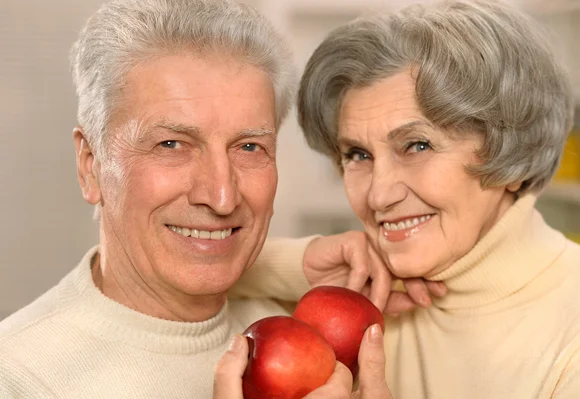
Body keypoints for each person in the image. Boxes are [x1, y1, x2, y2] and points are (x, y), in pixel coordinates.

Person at [0, 0, 442, 397]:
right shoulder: (20, 376)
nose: (222, 195)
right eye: (171, 145)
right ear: (90, 166)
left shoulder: (312, 332)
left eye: (249, 147)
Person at [218, 0, 580, 397]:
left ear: (511, 151)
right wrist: (300, 264)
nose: (380, 194)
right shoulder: (368, 296)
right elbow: (178, 276)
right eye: (358, 155)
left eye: (417, 146)